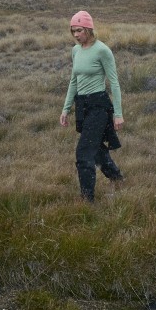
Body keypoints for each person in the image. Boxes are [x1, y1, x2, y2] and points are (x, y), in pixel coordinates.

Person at [58, 10, 125, 202]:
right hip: (82, 106)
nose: (76, 34)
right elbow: (74, 81)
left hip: (99, 106)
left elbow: (114, 83)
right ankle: (116, 178)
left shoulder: (102, 50)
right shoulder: (75, 50)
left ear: (89, 29)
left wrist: (118, 114)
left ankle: (87, 199)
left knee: (84, 152)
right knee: (95, 147)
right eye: (73, 31)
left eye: (79, 30)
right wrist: (66, 108)